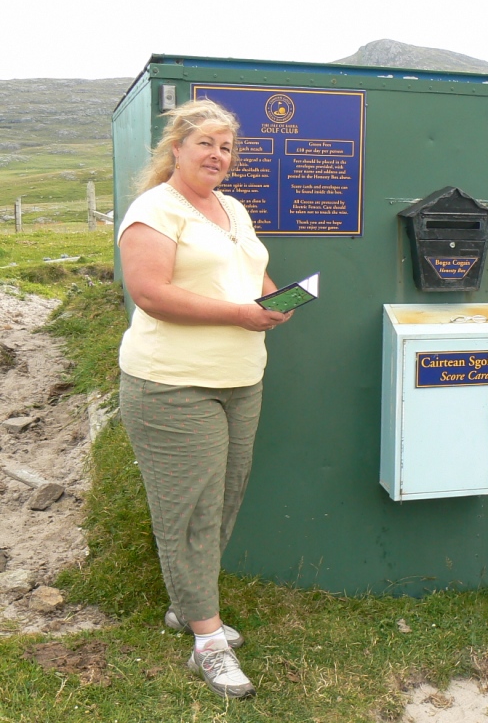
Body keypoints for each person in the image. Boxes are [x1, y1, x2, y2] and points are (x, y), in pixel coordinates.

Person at [117, 98, 291, 699]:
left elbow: (250, 274)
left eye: (226, 147)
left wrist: (275, 300)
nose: (217, 155)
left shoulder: (231, 207)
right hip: (171, 383)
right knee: (187, 510)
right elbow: (151, 294)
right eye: (205, 144)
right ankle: (207, 643)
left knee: (221, 501)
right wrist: (240, 313)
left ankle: (185, 606)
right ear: (177, 149)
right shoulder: (154, 210)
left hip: (240, 379)